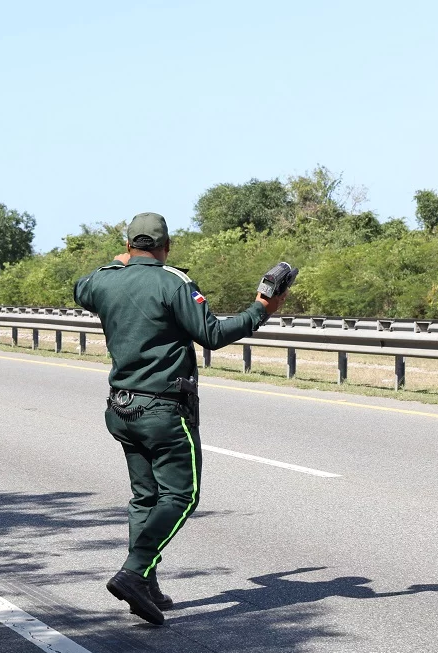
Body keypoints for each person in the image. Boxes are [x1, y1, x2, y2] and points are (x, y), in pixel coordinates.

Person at [74, 212, 287, 625]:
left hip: (121, 407)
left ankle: (147, 582)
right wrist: (263, 307)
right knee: (181, 496)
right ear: (166, 246)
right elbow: (212, 335)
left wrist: (119, 264)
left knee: (145, 497)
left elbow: (80, 287)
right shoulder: (173, 281)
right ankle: (134, 573)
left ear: (129, 246)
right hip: (163, 410)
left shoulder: (102, 280)